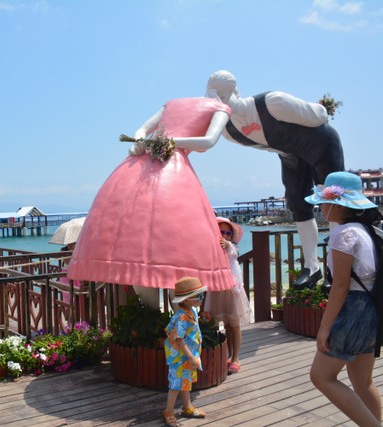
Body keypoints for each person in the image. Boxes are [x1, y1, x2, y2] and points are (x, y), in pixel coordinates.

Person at [67, 94, 235, 307]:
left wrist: (166, 141)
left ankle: (173, 318)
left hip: (166, 168)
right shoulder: (172, 105)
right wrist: (141, 141)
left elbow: (208, 141)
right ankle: (161, 316)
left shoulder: (219, 108)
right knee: (141, 231)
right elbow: (141, 130)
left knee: (177, 237)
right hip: (148, 165)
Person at [205, 70, 345, 289]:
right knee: (297, 204)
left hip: (320, 146)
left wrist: (311, 109)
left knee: (332, 201)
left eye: (222, 96)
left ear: (234, 91)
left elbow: (319, 115)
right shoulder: (229, 132)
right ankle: (312, 266)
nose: (219, 102)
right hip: (290, 155)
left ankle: (335, 268)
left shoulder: (272, 102)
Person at [306, 171, 382, 426]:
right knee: (363, 381)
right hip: (373, 310)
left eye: (324, 202)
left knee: (321, 376)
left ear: (338, 204)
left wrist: (324, 328)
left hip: (353, 310)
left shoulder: (344, 234)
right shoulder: (367, 230)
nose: (321, 207)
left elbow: (340, 285)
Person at [204, 217, 251, 374]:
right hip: (217, 289)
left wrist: (228, 245)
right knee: (222, 324)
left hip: (233, 289)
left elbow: (234, 253)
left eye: (228, 233)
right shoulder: (211, 248)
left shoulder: (232, 247)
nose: (224, 236)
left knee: (234, 324)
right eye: (221, 232)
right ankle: (227, 356)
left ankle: (235, 358)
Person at [163, 277, 208, 427]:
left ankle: (187, 406)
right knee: (176, 385)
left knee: (185, 381)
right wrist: (191, 357)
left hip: (186, 356)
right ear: (187, 299)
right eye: (199, 296)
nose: (202, 298)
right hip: (179, 357)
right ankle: (168, 411)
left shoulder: (192, 311)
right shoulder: (182, 317)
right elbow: (179, 339)